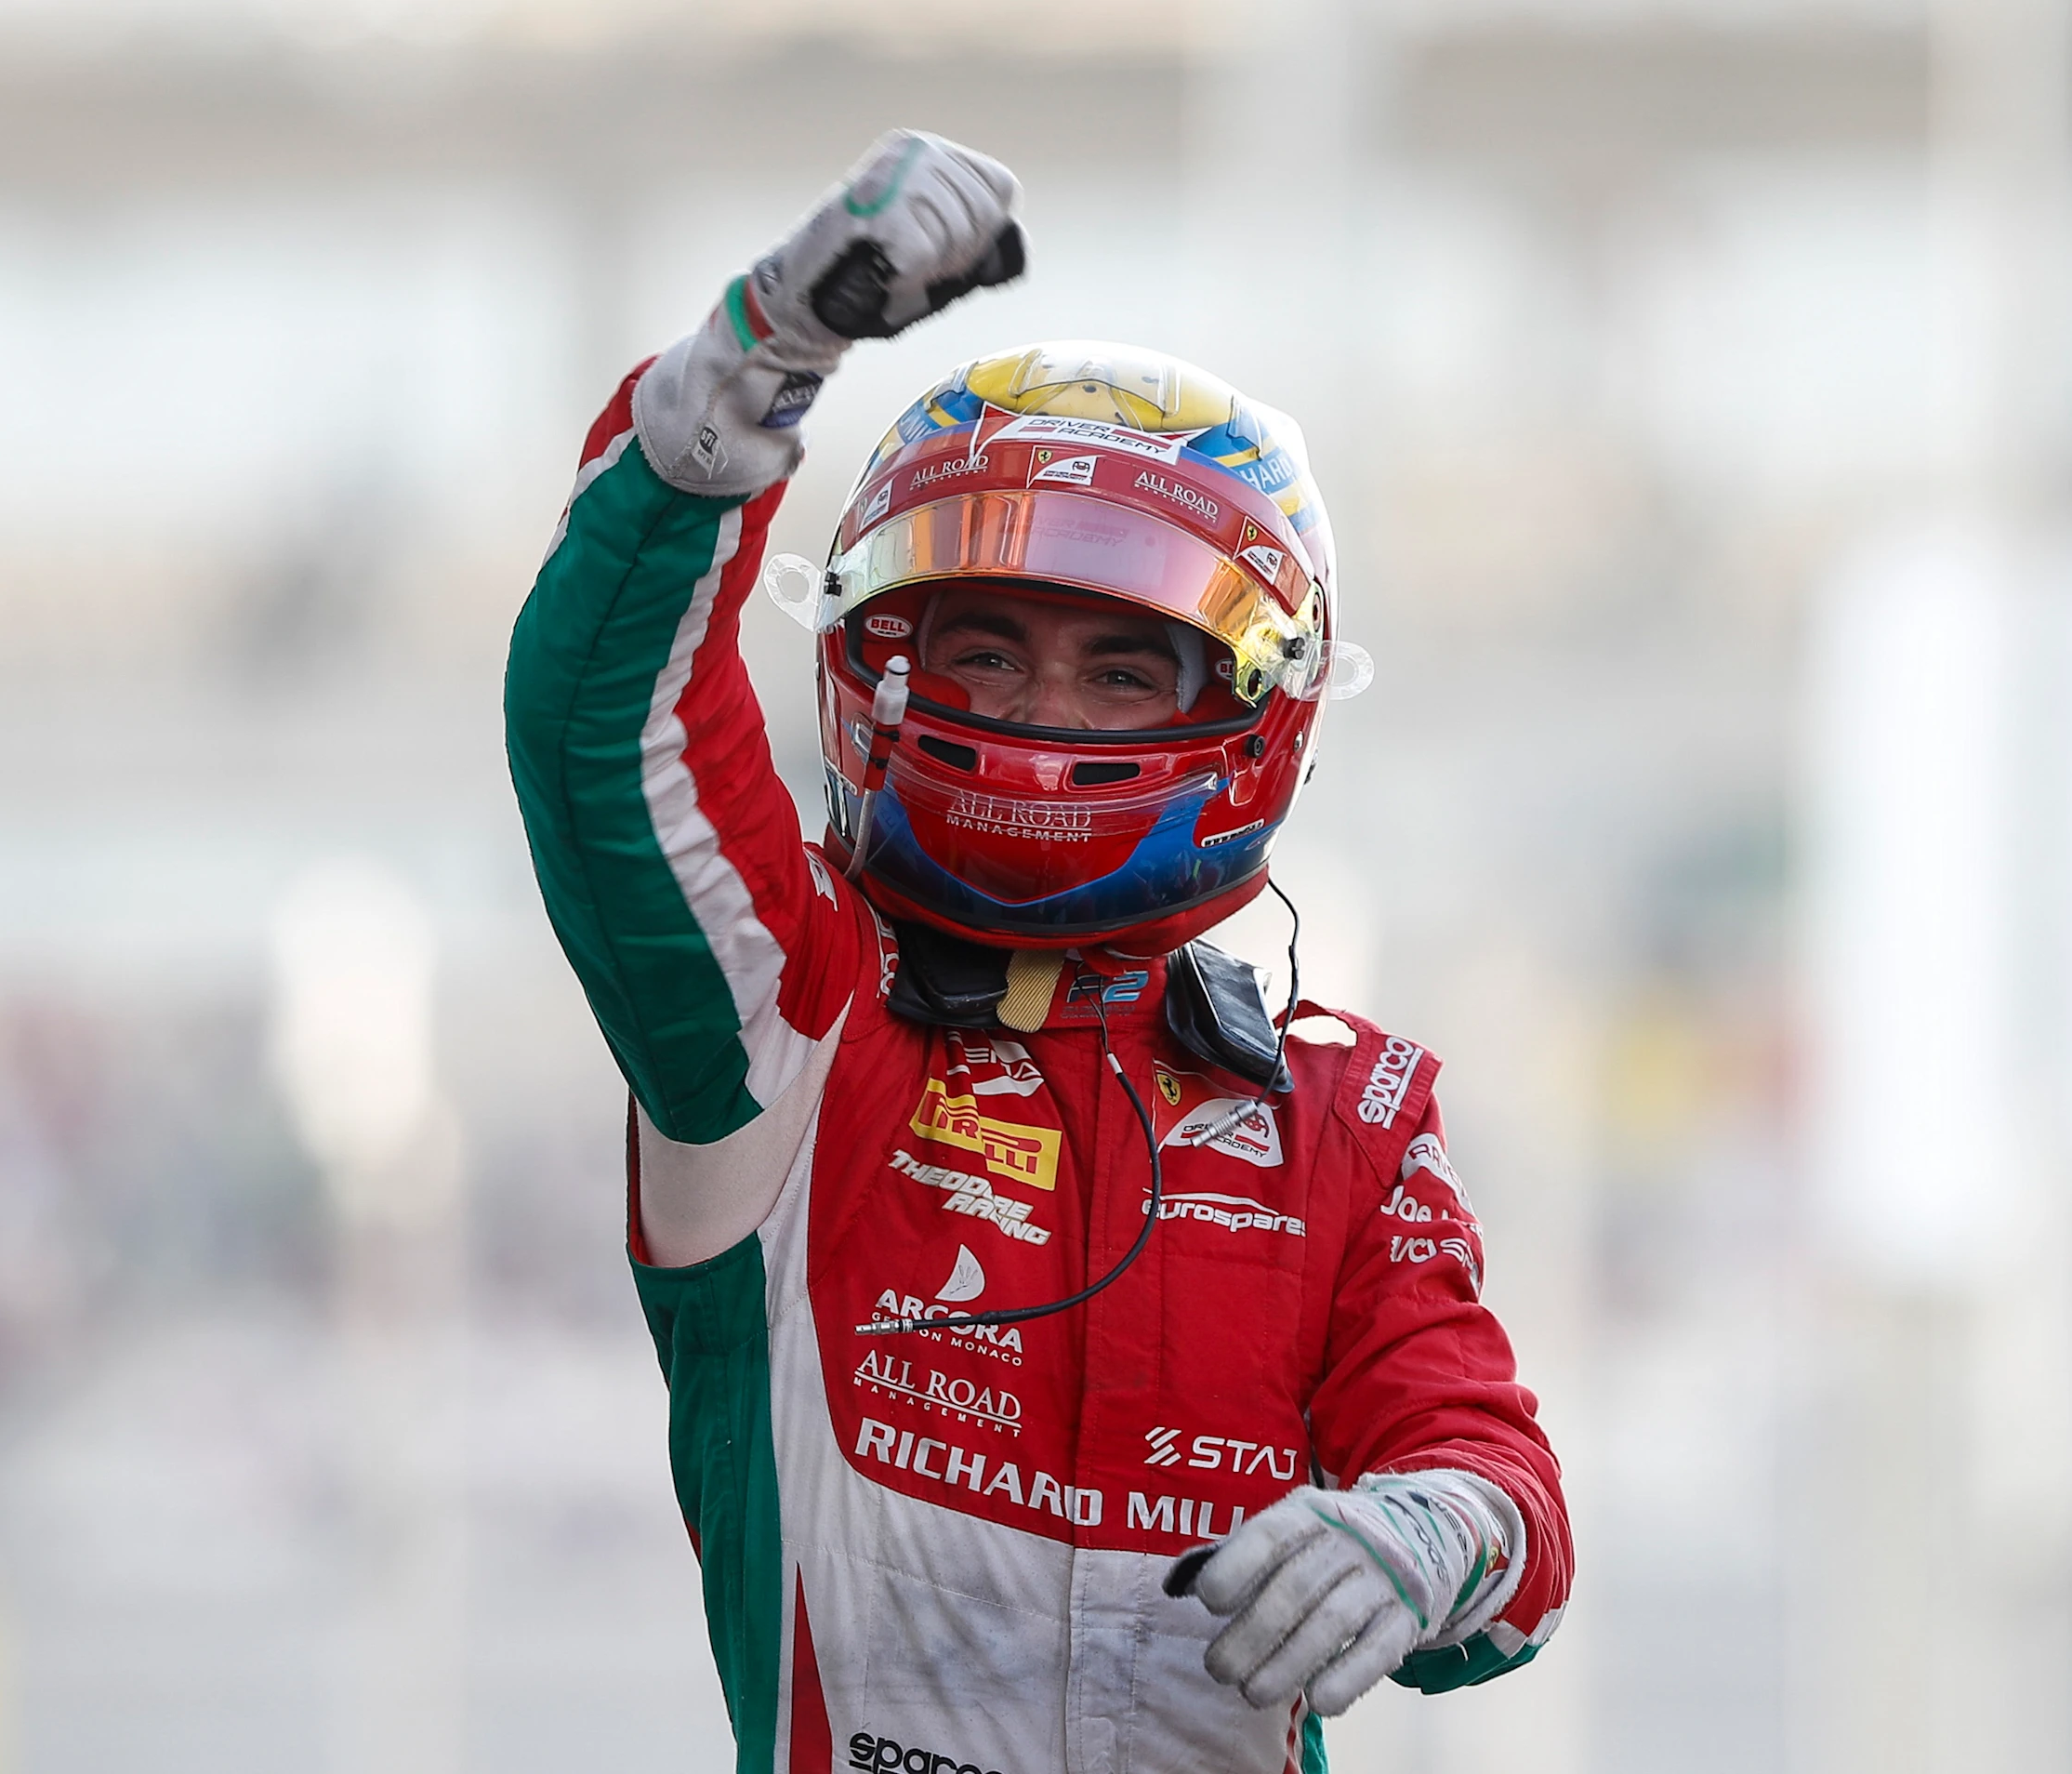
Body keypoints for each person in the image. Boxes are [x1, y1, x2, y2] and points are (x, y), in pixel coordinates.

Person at [504, 128, 1571, 1774]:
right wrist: (761, 354)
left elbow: (1501, 1514)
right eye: (986, 650)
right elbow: (603, 729)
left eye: (1122, 672)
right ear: (878, 659)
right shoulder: (796, 1024)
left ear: (1252, 713)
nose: (1040, 718)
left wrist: (1431, 1535)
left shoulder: (1347, 1126)